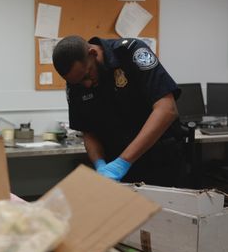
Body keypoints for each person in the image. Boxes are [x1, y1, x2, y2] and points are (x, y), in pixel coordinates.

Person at [52, 35, 185, 187]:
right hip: (117, 167)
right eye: (79, 82)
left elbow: (167, 108)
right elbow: (88, 132)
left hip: (160, 161)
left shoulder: (130, 52)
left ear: (93, 53)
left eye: (87, 75)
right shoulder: (75, 83)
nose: (87, 84)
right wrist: (100, 165)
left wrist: (123, 162)